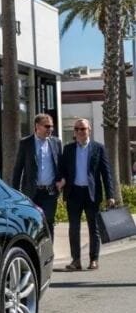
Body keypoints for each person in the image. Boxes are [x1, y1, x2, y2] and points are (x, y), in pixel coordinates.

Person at [57, 118, 116, 271]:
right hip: (74, 193)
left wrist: (110, 195)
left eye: (83, 129)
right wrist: (62, 180)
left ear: (89, 130)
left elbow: (106, 173)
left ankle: (94, 259)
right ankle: (76, 260)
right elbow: (62, 169)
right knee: (74, 228)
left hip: (92, 194)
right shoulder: (68, 149)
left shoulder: (98, 148)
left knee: (93, 228)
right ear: (74, 133)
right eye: (77, 129)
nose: (80, 132)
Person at [11, 113, 63, 239]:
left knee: (48, 221)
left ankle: (49, 253)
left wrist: (62, 180)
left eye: (51, 126)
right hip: (31, 192)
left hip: (50, 192)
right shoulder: (26, 143)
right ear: (37, 126)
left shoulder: (56, 143)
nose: (50, 129)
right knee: (32, 223)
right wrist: (14, 193)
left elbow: (61, 165)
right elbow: (18, 169)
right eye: (47, 126)